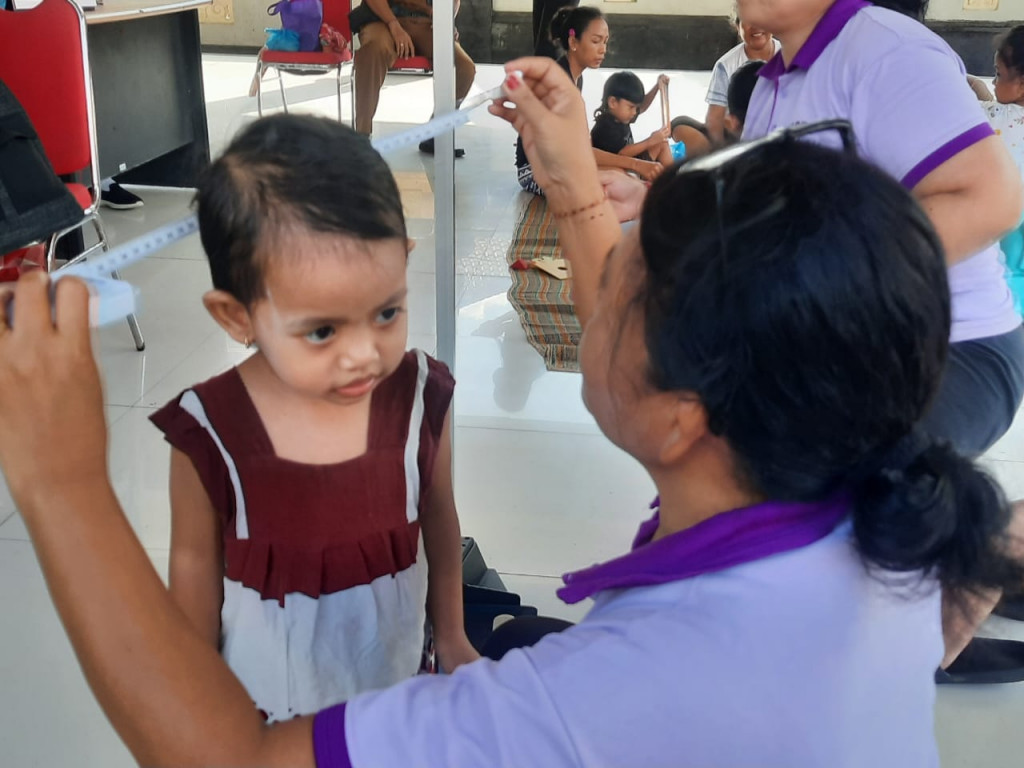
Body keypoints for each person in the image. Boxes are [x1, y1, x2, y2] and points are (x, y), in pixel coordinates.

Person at [3, 58, 1024, 767]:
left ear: (680, 419)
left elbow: (224, 755)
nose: (600, 267)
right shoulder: (893, 511)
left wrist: (58, 481)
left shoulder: (596, 697)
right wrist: (576, 176)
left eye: (631, 269)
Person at [149, 114, 478, 722]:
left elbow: (438, 509)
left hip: (397, 689)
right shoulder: (209, 432)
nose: (364, 354)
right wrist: (196, 704)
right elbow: (194, 564)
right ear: (236, 317)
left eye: (386, 311)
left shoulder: (420, 393)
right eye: (322, 330)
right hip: (268, 714)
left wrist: (452, 634)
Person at [737, 0, 1024, 681]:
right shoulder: (777, 80)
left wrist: (832, 275)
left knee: (837, 491)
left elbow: (989, 200)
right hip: (850, 349)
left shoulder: (889, 51)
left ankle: (991, 544)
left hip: (952, 350)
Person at [515, 6, 663, 195]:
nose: (603, 49)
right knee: (618, 181)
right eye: (595, 41)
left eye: (605, 42)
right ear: (573, 41)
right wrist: (636, 163)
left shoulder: (574, 77)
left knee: (619, 175)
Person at [351, 0, 476, 155]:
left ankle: (436, 134)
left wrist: (446, 18)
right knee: (373, 51)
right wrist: (394, 25)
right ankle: (362, 136)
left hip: (425, 22)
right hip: (382, 19)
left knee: (464, 67)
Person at [700, 9, 780, 146]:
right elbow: (714, 122)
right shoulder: (725, 66)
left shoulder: (790, 56)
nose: (756, 26)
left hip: (782, 137)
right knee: (681, 124)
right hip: (740, 143)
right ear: (737, 26)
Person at [590, 71, 673, 168]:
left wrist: (657, 87)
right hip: (618, 169)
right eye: (631, 107)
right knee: (660, 144)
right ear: (612, 102)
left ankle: (673, 177)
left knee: (662, 143)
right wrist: (650, 141)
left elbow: (642, 107)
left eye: (635, 108)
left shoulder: (621, 116)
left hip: (631, 164)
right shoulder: (605, 127)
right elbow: (621, 154)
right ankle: (673, 179)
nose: (634, 112)